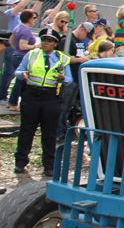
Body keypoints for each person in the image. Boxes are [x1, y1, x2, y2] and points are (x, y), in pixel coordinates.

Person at [13, 27, 72, 176]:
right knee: (27, 130)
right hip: (31, 96)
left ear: (55, 43)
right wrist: (22, 74)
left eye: (50, 41)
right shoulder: (32, 54)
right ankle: (20, 162)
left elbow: (69, 79)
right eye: (44, 40)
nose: (46, 43)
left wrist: (62, 78)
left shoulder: (61, 58)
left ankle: (49, 165)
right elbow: (18, 71)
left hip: (51, 97)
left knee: (49, 132)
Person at [0, 0, 44, 102]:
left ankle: (7, 97)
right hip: (13, 49)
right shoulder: (9, 13)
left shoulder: (21, 19)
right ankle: (2, 96)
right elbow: (21, 6)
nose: (20, 5)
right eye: (16, 4)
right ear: (11, 6)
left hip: (16, 49)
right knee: (9, 72)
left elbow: (32, 12)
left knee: (14, 75)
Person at [56, 22, 92, 143]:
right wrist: (80, 59)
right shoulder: (67, 40)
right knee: (63, 106)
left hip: (77, 77)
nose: (86, 38)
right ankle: (58, 132)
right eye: (86, 35)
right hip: (68, 77)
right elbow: (63, 57)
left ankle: (63, 129)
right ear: (82, 30)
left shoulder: (80, 42)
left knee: (69, 106)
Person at [7, 10, 39, 112]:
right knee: (20, 81)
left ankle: (11, 102)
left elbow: (11, 40)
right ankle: (13, 103)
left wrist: (15, 49)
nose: (35, 20)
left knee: (17, 80)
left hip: (15, 55)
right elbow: (23, 46)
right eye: (33, 18)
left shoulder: (17, 27)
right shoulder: (26, 31)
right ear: (28, 18)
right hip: (21, 57)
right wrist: (36, 46)